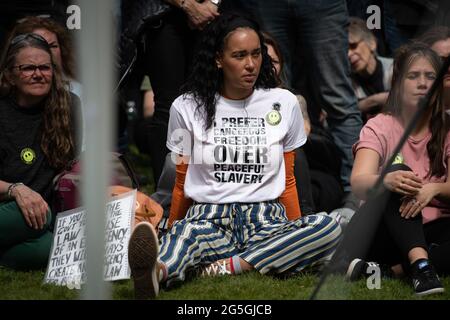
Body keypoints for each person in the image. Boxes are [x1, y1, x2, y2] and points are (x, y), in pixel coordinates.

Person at [127, 13, 342, 299]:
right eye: (239, 56)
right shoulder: (186, 107)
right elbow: (181, 178)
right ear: (218, 59)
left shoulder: (284, 102)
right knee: (184, 237)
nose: (250, 64)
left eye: (256, 54)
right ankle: (156, 273)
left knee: (327, 227)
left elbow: (288, 179)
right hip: (210, 216)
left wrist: (294, 229)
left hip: (266, 218)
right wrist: (173, 223)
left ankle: (230, 265)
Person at [345, 43, 450, 296]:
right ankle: (422, 267)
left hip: (432, 229)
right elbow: (358, 182)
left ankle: (391, 271)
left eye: (430, 77)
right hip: (380, 232)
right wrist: (388, 180)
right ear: (398, 83)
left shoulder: (447, 127)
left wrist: (433, 188)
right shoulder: (379, 126)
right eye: (413, 76)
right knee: (398, 172)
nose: (423, 83)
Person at [0, 33, 80, 270]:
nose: (38, 74)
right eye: (28, 68)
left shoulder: (68, 105)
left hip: (42, 214)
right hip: (9, 206)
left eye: (45, 67)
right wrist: (16, 190)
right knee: (37, 218)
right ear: (10, 75)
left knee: (52, 247)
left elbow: (70, 166)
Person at [348, 17, 393, 122]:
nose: (349, 54)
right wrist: (374, 101)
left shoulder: (396, 69)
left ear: (372, 43)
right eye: (344, 50)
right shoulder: (346, 83)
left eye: (353, 46)